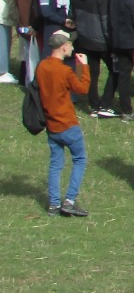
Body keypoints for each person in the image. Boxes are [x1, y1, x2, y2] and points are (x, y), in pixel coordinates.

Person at [38, 32, 91, 217]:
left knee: (56, 164)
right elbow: (82, 88)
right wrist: (83, 66)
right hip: (68, 124)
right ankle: (69, 200)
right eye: (70, 44)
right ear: (63, 47)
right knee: (80, 159)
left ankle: (53, 204)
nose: (72, 47)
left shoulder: (42, 66)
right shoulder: (64, 71)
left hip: (51, 125)